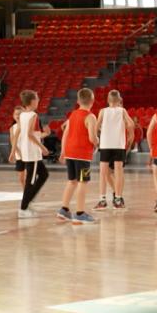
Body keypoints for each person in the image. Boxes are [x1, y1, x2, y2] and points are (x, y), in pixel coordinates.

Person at [57, 88, 98, 224]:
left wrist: (63, 151)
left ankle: (64, 209)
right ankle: (80, 213)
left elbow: (65, 134)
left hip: (70, 152)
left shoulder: (72, 115)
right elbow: (92, 137)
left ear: (78, 101)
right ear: (92, 101)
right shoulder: (90, 117)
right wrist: (98, 142)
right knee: (82, 182)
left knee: (72, 181)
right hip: (82, 154)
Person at [95, 90, 134, 211]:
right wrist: (131, 135)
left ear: (107, 100)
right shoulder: (122, 111)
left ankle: (102, 200)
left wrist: (95, 138)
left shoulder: (102, 111)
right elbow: (131, 123)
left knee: (103, 173)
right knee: (118, 172)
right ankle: (118, 199)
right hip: (118, 144)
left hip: (105, 144)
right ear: (120, 100)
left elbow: (96, 127)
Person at [16, 91, 51, 219]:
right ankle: (24, 208)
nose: (38, 100)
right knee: (30, 181)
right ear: (31, 101)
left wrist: (45, 134)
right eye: (37, 99)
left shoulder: (23, 115)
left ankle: (29, 200)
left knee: (44, 174)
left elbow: (32, 134)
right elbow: (30, 135)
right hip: (32, 153)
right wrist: (42, 147)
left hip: (27, 151)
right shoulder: (33, 115)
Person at [8, 106, 26, 194]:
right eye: (16, 114)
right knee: (21, 178)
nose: (18, 116)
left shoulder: (28, 125)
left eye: (20, 114)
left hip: (29, 155)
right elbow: (13, 141)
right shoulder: (12, 128)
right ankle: (25, 192)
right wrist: (17, 153)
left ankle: (30, 193)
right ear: (13, 116)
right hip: (19, 156)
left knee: (29, 176)